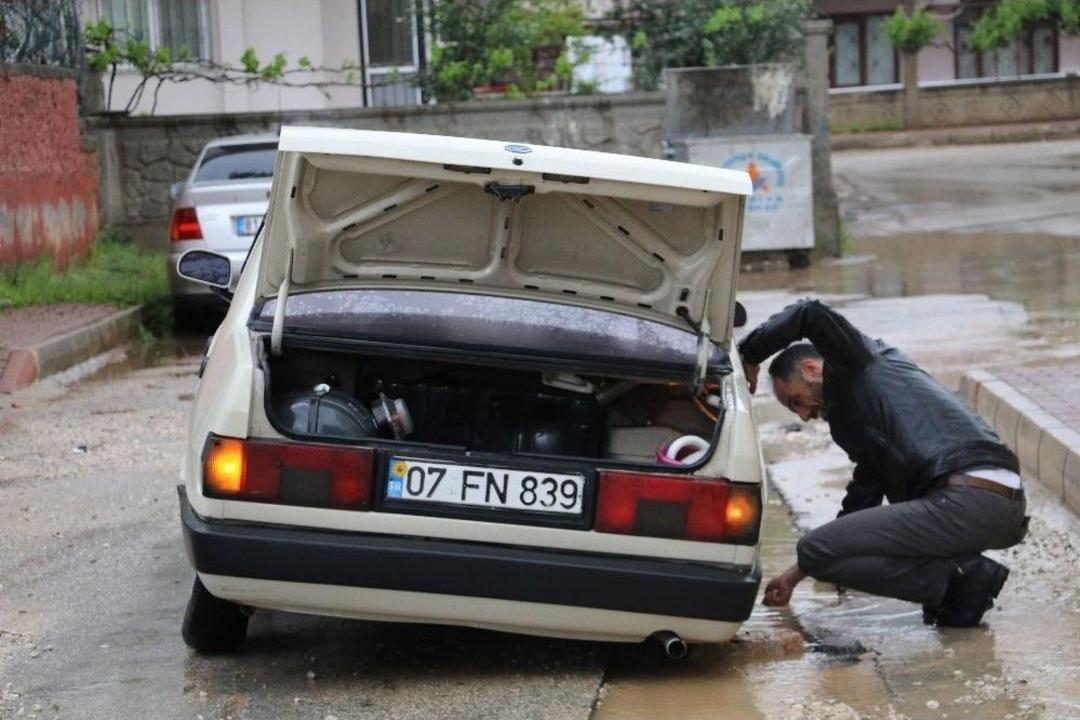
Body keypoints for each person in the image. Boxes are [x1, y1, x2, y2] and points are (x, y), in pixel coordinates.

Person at [738, 299, 1027, 627]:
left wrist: (749, 353)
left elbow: (810, 314)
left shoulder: (856, 362)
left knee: (814, 549)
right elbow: (861, 506)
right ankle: (957, 580)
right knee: (819, 552)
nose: (804, 416)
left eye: (796, 402)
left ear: (811, 369)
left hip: (966, 497)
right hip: (1001, 504)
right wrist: (796, 574)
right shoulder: (860, 415)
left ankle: (959, 581)